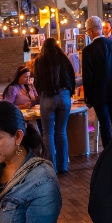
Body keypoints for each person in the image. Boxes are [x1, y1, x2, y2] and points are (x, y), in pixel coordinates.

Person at [32, 38, 75, 173]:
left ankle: (51, 166)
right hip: (64, 95)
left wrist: (41, 93)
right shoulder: (63, 58)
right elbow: (71, 77)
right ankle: (63, 166)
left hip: (48, 96)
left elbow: (36, 81)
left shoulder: (39, 61)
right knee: (61, 132)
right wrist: (69, 92)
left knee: (48, 133)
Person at [81, 16, 112, 147]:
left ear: (90, 31)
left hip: (98, 94)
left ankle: (108, 154)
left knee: (104, 124)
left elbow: (87, 77)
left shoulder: (88, 51)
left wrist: (87, 98)